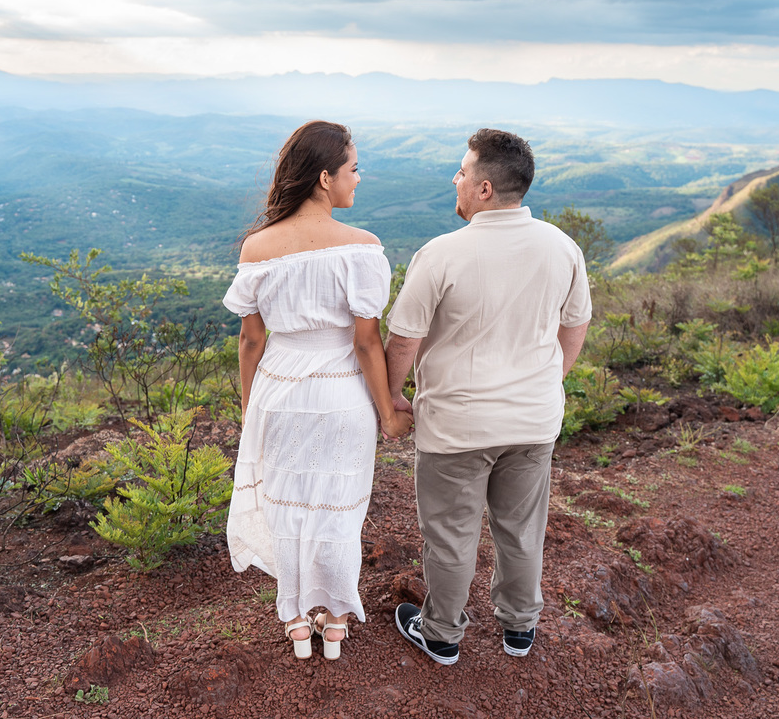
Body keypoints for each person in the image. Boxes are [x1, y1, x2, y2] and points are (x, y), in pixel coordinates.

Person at [384, 128, 592, 665]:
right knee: (522, 530)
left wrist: (392, 396)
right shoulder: (562, 246)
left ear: (482, 189)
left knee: (451, 536)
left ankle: (443, 636)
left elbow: (404, 338)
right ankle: (519, 630)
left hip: (457, 427)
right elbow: (575, 327)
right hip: (533, 421)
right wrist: (549, 381)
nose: (454, 179)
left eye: (460, 171)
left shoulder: (441, 254)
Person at [223, 120, 414, 662]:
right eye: (354, 169)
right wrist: (389, 413)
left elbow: (250, 342)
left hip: (278, 394)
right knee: (337, 506)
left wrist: (249, 410)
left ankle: (296, 619)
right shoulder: (361, 248)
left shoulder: (257, 248)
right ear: (326, 178)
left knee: (289, 507)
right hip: (339, 395)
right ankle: (333, 619)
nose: (359, 178)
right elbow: (366, 344)